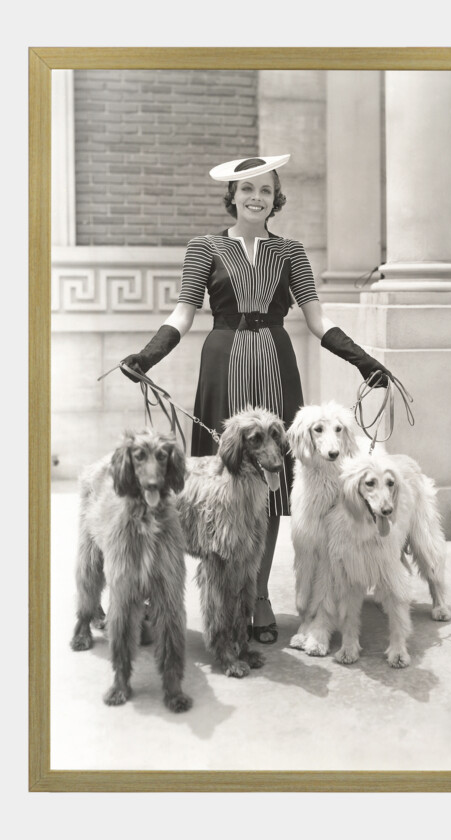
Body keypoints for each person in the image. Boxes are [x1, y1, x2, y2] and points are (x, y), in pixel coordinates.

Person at [121, 154, 393, 644]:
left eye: (265, 190)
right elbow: (183, 314)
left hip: (275, 367)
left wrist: (363, 360)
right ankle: (216, 597)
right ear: (232, 196)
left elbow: (317, 319)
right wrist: (147, 355)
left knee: (271, 481)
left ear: (275, 197)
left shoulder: (291, 251)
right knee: (217, 486)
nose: (256, 198)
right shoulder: (203, 248)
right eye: (247, 189)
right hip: (222, 365)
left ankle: (258, 596)